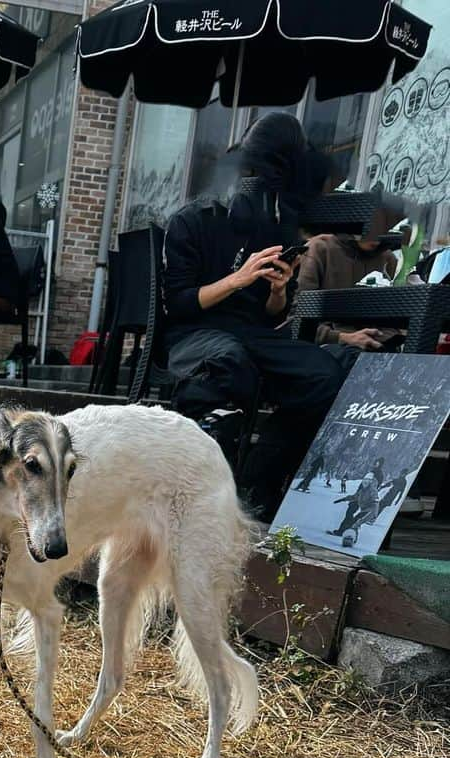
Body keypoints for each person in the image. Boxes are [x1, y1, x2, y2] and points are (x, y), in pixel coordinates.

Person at [162, 112, 348, 522]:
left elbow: (270, 318)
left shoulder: (272, 229)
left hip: (251, 335)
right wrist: (237, 279)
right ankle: (192, 491)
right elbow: (178, 304)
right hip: (195, 334)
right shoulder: (191, 221)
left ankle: (258, 478)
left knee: (323, 376)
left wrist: (279, 290)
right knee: (229, 361)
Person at [295, 212, 400, 353]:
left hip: (378, 344)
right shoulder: (319, 249)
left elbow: (396, 317)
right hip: (330, 345)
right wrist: (340, 337)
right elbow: (296, 318)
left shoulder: (388, 259)